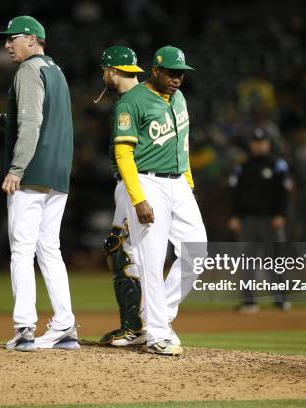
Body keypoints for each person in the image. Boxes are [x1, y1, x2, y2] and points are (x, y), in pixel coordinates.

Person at [113, 46, 207, 356]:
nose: (177, 78)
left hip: (178, 182)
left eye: (181, 73)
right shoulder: (132, 102)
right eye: (171, 72)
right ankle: (156, 334)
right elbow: (123, 152)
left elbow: (183, 143)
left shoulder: (179, 98)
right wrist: (137, 198)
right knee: (151, 261)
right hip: (147, 181)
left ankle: (159, 317)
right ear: (155, 70)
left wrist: (188, 184)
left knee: (198, 251)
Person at [0, 16, 77, 352]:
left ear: (31, 38)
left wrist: (16, 168)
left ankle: (25, 327)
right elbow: (45, 118)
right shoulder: (55, 70)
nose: (7, 45)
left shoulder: (27, 71)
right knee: (49, 249)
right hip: (58, 173)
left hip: (32, 172)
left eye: (12, 38)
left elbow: (31, 122)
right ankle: (65, 324)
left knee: (22, 251)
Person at [94, 45, 147, 347]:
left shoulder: (128, 102)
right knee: (132, 252)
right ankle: (141, 324)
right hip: (142, 183)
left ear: (113, 71)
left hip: (134, 183)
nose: (104, 75)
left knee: (123, 251)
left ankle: (135, 327)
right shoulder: (148, 96)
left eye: (105, 70)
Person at [227, 128, 291, 313]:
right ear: (251, 144)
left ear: (268, 144)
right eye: (255, 142)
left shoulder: (277, 165)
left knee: (275, 261)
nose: (258, 145)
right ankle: (249, 302)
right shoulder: (243, 166)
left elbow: (284, 192)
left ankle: (281, 300)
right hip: (248, 220)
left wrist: (281, 214)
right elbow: (235, 194)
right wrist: (234, 216)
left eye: (261, 142)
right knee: (247, 262)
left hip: (271, 219)